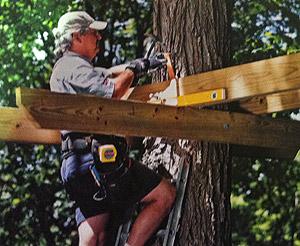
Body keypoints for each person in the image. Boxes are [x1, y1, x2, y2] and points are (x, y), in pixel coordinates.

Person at [50, 11, 176, 246]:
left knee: (95, 237)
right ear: (77, 36)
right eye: (94, 33)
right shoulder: (72, 66)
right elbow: (111, 89)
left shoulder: (70, 68)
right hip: (94, 161)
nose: (99, 37)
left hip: (78, 164)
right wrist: (134, 70)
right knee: (163, 195)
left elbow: (109, 73)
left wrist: (142, 65)